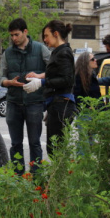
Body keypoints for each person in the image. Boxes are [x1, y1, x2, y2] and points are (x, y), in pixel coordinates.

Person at [0, 18, 50, 173]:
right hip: (14, 102)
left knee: (35, 142)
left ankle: (36, 177)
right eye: (11, 36)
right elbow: (1, 78)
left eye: (16, 34)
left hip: (35, 102)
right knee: (15, 143)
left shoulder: (40, 49)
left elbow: (54, 71)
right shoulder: (7, 53)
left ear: (25, 32)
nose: (14, 38)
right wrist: (9, 83)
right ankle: (17, 177)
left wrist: (40, 77)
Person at [23, 20, 76, 156]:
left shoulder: (63, 52)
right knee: (55, 148)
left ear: (56, 34)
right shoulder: (59, 52)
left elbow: (67, 79)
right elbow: (58, 73)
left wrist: (42, 82)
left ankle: (61, 176)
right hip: (57, 104)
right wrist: (39, 76)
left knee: (55, 149)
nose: (44, 39)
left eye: (46, 36)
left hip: (61, 105)